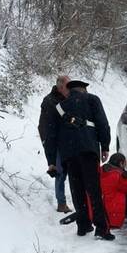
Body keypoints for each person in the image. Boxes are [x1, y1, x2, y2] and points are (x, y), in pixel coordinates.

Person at [44, 80, 114, 240]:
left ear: (69, 91)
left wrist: (51, 161)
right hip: (88, 150)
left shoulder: (59, 108)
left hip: (69, 154)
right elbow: (103, 124)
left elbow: (51, 136)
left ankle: (83, 226)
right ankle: (101, 229)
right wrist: (105, 146)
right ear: (83, 89)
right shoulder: (92, 99)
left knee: (77, 191)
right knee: (94, 191)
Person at [38, 75, 72, 213]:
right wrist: (49, 150)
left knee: (68, 172)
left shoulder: (67, 98)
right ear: (61, 87)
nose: (69, 89)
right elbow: (46, 126)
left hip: (67, 141)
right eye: (67, 86)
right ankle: (61, 203)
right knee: (60, 173)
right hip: (55, 142)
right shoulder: (50, 102)